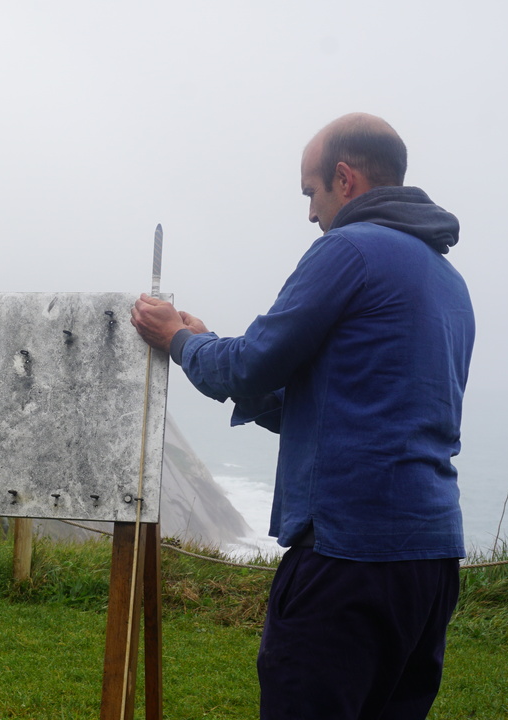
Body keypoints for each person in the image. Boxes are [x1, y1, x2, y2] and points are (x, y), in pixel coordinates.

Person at [131, 113, 473, 720]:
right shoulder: (450, 282)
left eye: (311, 192)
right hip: (431, 559)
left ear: (345, 179)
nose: (311, 213)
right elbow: (341, 405)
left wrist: (179, 340)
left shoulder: (348, 250)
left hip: (347, 557)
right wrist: (206, 343)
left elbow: (248, 367)